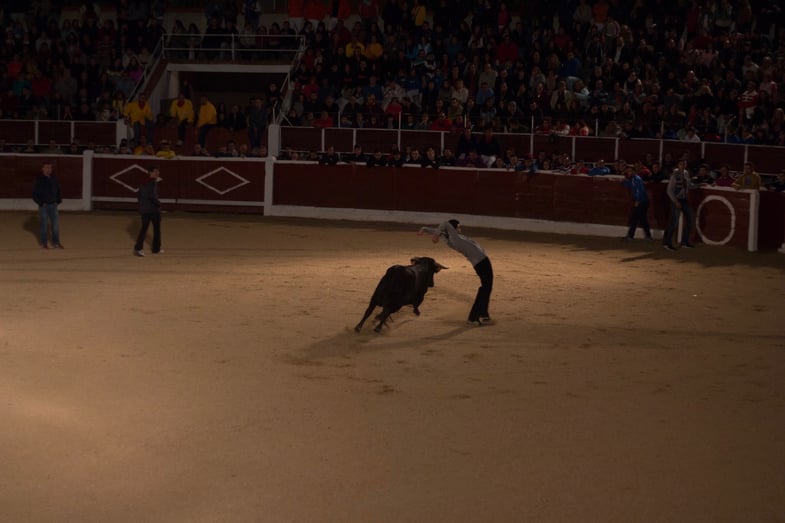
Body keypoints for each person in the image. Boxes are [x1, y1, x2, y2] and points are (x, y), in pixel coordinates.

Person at [418, 219, 493, 326]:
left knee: (486, 288)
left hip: (479, 263)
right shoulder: (455, 238)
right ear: (453, 229)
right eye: (458, 227)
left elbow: (439, 230)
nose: (460, 229)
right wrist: (436, 235)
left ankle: (484, 314)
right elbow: (444, 223)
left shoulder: (450, 237)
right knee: (485, 288)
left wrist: (424, 229)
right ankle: (473, 317)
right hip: (482, 263)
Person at [663, 159, 699, 251]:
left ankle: (684, 242)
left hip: (684, 199)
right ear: (678, 165)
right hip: (677, 200)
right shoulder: (674, 175)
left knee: (690, 220)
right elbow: (669, 190)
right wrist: (675, 201)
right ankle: (667, 243)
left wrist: (698, 185)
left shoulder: (686, 173)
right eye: (681, 164)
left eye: (684, 164)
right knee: (674, 223)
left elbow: (689, 185)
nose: (683, 166)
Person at [32, 160, 64, 249]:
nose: (48, 169)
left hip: (53, 205)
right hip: (44, 206)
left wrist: (58, 200)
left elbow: (58, 190)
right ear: (42, 169)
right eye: (46, 167)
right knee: (44, 225)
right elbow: (34, 194)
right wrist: (41, 203)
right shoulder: (39, 180)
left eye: (50, 167)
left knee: (55, 226)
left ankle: (56, 243)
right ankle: (44, 243)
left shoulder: (54, 178)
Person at [134, 166, 163, 256]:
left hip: (145, 209)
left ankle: (142, 248)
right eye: (155, 171)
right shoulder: (152, 183)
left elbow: (138, 195)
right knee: (156, 229)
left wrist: (141, 205)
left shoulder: (143, 182)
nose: (157, 173)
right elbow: (152, 196)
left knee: (145, 229)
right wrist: (159, 204)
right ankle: (154, 249)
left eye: (158, 171)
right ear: (150, 173)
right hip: (153, 209)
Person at [621, 165, 653, 241]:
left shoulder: (636, 179)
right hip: (644, 201)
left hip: (641, 201)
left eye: (630, 171)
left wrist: (638, 200)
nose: (629, 172)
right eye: (628, 171)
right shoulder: (633, 179)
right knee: (642, 219)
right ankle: (648, 236)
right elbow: (629, 185)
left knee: (634, 218)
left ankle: (630, 236)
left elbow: (639, 190)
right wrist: (624, 181)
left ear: (634, 171)